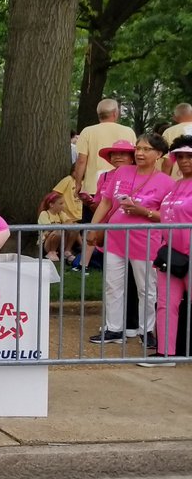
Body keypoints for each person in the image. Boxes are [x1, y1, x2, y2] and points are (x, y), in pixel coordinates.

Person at [84, 135, 173, 346]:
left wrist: (143, 211)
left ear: (159, 154)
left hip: (145, 240)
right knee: (112, 284)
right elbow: (106, 202)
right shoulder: (122, 172)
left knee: (146, 288)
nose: (140, 153)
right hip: (115, 237)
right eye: (138, 148)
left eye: (146, 149)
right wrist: (94, 228)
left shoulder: (166, 182)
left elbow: (168, 216)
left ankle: (147, 330)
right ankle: (114, 328)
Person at [147, 135, 192, 367]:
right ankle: (166, 353)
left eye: (189, 156)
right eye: (180, 156)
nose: (184, 161)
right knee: (165, 303)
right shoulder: (174, 186)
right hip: (171, 257)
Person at [73, 99, 138, 220]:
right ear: (115, 114)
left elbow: (81, 160)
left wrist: (77, 184)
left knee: (92, 224)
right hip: (123, 187)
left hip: (93, 187)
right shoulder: (128, 131)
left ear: (98, 115)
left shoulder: (87, 131)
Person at [39, 192, 78, 262]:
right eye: (61, 204)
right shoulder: (44, 214)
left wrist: (64, 225)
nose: (63, 206)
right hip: (47, 243)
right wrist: (63, 226)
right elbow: (49, 228)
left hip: (61, 241)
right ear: (51, 205)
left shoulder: (60, 214)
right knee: (58, 232)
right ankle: (51, 252)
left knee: (75, 228)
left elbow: (70, 221)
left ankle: (67, 251)